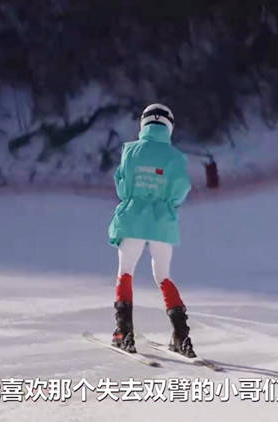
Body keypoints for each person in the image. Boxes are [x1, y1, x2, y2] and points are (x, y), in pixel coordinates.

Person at [107, 103, 195, 357]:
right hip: (162, 221)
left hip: (133, 219)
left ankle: (124, 333)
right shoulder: (176, 157)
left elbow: (122, 188)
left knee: (126, 272)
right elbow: (181, 189)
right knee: (163, 275)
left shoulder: (130, 151)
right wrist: (165, 202)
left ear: (144, 123)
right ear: (169, 125)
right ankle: (182, 337)